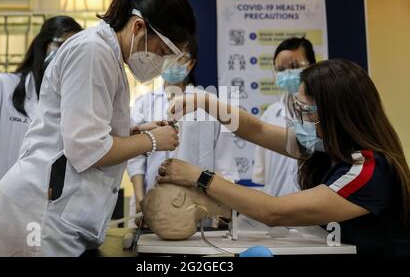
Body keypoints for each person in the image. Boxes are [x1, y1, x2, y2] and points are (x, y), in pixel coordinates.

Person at [0, 0, 196, 256]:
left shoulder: (107, 56)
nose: (160, 64)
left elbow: (85, 131)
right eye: (162, 52)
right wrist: (150, 141)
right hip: (39, 214)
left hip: (59, 213)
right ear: (138, 27)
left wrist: (134, 132)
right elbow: (88, 148)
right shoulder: (93, 52)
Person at [162, 59, 410, 256]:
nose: (298, 119)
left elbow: (275, 212)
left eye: (305, 111)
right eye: (297, 108)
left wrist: (198, 177)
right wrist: (206, 102)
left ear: (335, 115)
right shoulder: (326, 149)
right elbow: (256, 130)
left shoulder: (367, 171)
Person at [0, 16, 82, 257]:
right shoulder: (0, 88)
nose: (66, 55)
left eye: (74, 50)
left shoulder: (70, 103)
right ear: (42, 45)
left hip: (47, 220)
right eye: (61, 46)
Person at [127, 39, 237, 227]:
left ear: (191, 63)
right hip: (151, 208)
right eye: (168, 55)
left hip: (198, 210)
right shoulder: (144, 104)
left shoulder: (210, 104)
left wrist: (222, 208)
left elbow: (224, 163)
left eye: (180, 57)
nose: (172, 62)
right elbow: (135, 158)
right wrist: (140, 201)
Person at [252, 37, 316, 196]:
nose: (287, 73)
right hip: (277, 206)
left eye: (295, 66)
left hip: (316, 208)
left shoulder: (326, 111)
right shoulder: (270, 115)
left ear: (313, 67)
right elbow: (263, 175)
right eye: (281, 69)